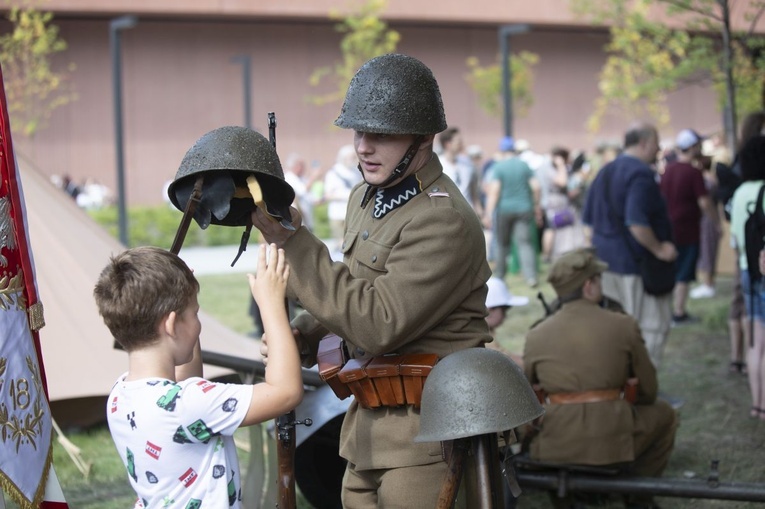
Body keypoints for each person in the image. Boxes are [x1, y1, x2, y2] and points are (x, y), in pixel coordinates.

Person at [251, 53, 492, 508]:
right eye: (360, 132)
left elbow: (378, 323)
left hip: (428, 435)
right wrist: (303, 334)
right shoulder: (368, 197)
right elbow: (358, 287)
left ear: (423, 139)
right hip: (366, 425)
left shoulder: (442, 221)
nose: (364, 146)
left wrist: (294, 243)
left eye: (381, 135)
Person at [94, 244, 303, 508]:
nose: (198, 321)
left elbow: (183, 385)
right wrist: (271, 304)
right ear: (171, 324)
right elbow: (285, 392)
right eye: (194, 314)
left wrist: (181, 301)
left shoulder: (120, 394)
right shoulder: (190, 404)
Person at [523, 248, 677, 509]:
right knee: (665, 414)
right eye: (599, 279)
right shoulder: (622, 324)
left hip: (556, 445)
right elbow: (649, 391)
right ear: (589, 286)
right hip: (611, 443)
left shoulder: (536, 334)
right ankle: (639, 497)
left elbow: (527, 398)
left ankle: (568, 497)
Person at [582, 123, 677, 368]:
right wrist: (660, 249)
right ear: (644, 142)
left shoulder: (605, 171)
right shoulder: (640, 174)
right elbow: (636, 222)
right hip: (635, 267)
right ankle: (644, 395)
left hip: (606, 264)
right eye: (656, 142)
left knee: (616, 331)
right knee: (650, 328)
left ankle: (622, 390)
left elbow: (588, 226)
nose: (659, 148)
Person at [659, 128, 718, 325]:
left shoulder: (668, 170)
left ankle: (670, 312)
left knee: (674, 270)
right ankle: (679, 312)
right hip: (688, 229)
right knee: (684, 271)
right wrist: (715, 222)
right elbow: (704, 201)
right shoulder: (693, 172)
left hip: (669, 227)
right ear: (692, 147)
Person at [729, 135, 765, 420]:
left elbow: (734, 239)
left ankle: (757, 404)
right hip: (762, 270)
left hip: (746, 270)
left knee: (756, 338)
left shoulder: (740, 192)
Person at [483, 135, 541, 287]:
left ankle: (501, 278)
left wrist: (488, 213)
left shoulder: (499, 167)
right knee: (525, 244)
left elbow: (494, 192)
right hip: (524, 209)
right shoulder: (523, 165)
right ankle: (531, 277)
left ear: (501, 150)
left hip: (504, 210)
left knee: (503, 244)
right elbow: (536, 187)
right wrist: (536, 205)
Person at [324, 144, 363, 251]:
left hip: (353, 212)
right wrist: (348, 194)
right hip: (337, 214)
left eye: (353, 157)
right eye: (351, 157)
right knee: (342, 243)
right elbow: (328, 195)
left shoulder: (356, 172)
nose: (353, 159)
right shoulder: (333, 173)